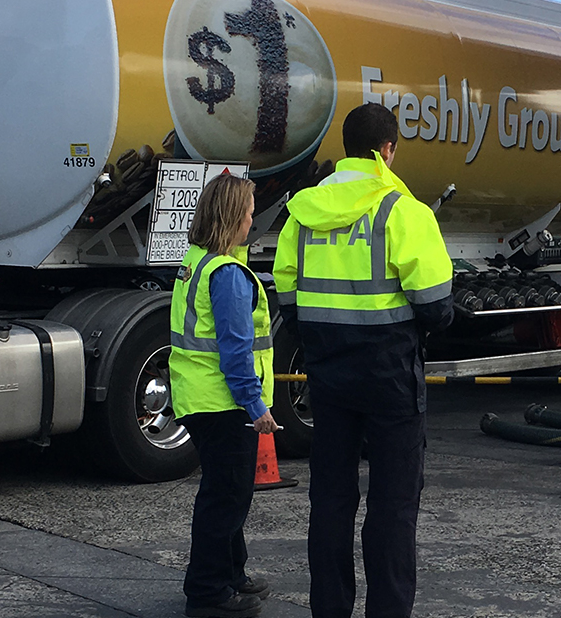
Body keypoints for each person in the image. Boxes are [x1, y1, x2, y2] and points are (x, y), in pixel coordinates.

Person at [273, 103, 454, 617]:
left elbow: (289, 298)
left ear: (346, 149)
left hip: (327, 379)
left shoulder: (303, 213)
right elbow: (437, 307)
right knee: (393, 506)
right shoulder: (403, 211)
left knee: (330, 501)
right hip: (391, 377)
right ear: (388, 150)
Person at [171, 174, 280, 618]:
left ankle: (232, 574)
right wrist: (257, 408)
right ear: (235, 216)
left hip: (198, 397)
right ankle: (208, 591)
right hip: (224, 404)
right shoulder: (229, 276)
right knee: (226, 498)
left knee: (226, 493)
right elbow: (236, 353)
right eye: (250, 211)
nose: (253, 218)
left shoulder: (197, 260)